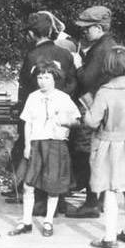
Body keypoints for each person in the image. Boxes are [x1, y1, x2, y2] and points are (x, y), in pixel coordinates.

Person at [11, 12, 76, 216]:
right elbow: (73, 82)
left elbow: (25, 88)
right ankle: (59, 199)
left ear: (31, 34)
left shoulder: (32, 56)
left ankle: (38, 199)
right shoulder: (66, 54)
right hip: (61, 114)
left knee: (36, 156)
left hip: (37, 115)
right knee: (58, 157)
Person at [84, 46, 125, 248]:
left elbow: (93, 122)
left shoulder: (105, 91)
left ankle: (109, 237)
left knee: (110, 190)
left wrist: (86, 110)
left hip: (109, 144)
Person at [8, 61, 79, 238]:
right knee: (28, 184)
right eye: (39, 77)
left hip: (55, 144)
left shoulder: (63, 98)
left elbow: (77, 120)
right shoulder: (33, 97)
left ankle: (48, 221)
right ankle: (26, 221)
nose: (43, 81)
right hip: (36, 144)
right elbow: (28, 122)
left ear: (54, 78)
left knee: (52, 185)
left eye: (46, 77)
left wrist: (65, 121)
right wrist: (26, 145)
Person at [72, 6, 119, 220]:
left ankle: (91, 202)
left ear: (99, 28)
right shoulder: (107, 45)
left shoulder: (101, 49)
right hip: (104, 107)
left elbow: (87, 80)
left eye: (87, 28)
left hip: (94, 106)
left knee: (91, 154)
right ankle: (96, 199)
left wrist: (78, 64)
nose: (83, 32)